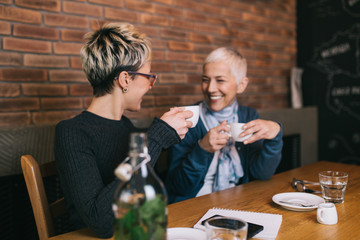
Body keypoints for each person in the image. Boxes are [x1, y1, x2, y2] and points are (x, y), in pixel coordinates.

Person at [54, 22, 192, 238]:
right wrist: (156, 137)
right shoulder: (72, 133)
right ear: (125, 79)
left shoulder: (125, 125)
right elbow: (101, 222)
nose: (150, 86)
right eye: (149, 78)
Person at [165, 47, 283, 203]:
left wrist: (275, 136)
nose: (210, 89)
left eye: (220, 80)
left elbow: (261, 174)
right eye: (205, 80)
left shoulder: (249, 116)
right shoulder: (188, 119)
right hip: (192, 207)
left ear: (241, 84)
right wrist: (202, 149)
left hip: (240, 203)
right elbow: (178, 187)